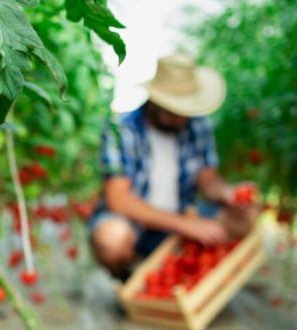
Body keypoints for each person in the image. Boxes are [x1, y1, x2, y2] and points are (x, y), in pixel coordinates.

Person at [90, 53, 258, 279]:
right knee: (111, 238)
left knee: (248, 216)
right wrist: (186, 226)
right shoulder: (120, 130)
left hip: (182, 218)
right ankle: (128, 278)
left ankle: (188, 270)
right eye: (174, 111)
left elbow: (208, 180)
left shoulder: (197, 126)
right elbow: (118, 200)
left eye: (186, 111)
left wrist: (227, 193)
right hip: (136, 227)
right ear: (156, 101)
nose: (182, 119)